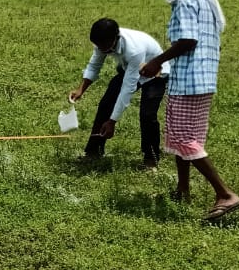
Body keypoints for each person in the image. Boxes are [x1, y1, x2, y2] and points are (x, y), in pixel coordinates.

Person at [139, 0, 239, 222]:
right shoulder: (206, 1)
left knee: (184, 139)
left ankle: (224, 194)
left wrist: (156, 62)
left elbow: (187, 40)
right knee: (182, 135)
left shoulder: (185, 0)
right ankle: (182, 190)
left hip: (189, 80)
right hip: (204, 79)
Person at [69, 18, 169, 168]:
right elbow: (95, 65)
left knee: (147, 115)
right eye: (98, 45)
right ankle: (93, 151)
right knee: (106, 104)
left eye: (104, 45)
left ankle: (151, 159)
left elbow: (127, 88)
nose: (101, 48)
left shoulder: (133, 49)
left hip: (156, 73)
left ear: (116, 38)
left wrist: (112, 121)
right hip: (131, 68)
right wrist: (81, 89)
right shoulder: (103, 42)